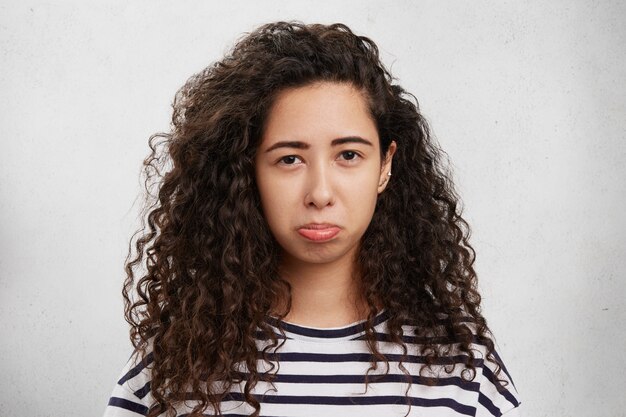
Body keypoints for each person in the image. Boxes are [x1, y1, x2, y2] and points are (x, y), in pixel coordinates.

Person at [103, 21, 521, 417]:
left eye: (349, 156)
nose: (320, 193)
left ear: (385, 166)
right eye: (289, 159)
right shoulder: (175, 364)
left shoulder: (461, 364)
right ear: (247, 172)